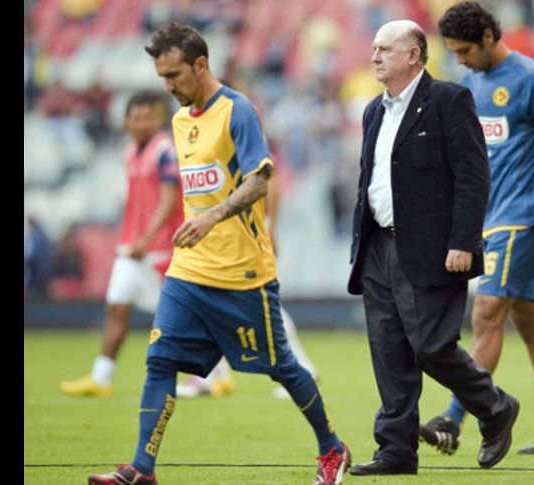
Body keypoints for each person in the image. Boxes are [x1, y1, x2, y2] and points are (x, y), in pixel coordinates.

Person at [88, 22, 350, 485]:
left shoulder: (237, 111)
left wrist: (213, 216)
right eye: (162, 77)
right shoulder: (179, 119)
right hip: (190, 271)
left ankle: (331, 448)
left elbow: (260, 179)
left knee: (282, 367)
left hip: (242, 273)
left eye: (174, 75)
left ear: (201, 65)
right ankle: (141, 469)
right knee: (160, 360)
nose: (167, 87)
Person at [419, 1, 534, 456]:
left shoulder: (531, 80)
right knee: (531, 322)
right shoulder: (470, 82)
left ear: (487, 36)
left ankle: (455, 418)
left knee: (485, 315)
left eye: (464, 49)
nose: (458, 59)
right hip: (486, 220)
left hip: (520, 218)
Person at [347, 20, 519, 477]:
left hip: (433, 248)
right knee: (389, 352)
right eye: (373, 47)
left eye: (384, 48)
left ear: (413, 55)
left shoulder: (449, 100)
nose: (374, 56)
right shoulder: (373, 111)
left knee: (431, 348)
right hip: (377, 246)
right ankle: (396, 451)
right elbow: (372, 180)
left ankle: (494, 406)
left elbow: (473, 175)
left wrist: (464, 240)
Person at [60, 91, 182, 398]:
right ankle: (101, 378)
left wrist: (147, 238)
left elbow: (169, 201)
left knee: (178, 317)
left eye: (148, 117)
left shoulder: (165, 151)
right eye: (137, 117)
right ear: (126, 121)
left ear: (157, 119)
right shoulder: (131, 152)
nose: (143, 123)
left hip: (158, 249)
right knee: (116, 307)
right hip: (131, 248)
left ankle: (215, 374)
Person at [175, 174, 319, 400]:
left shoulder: (240, 140)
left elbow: (270, 178)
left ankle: (299, 368)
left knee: (256, 303)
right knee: (218, 299)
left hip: (245, 238)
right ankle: (211, 374)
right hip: (227, 237)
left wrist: (270, 226)